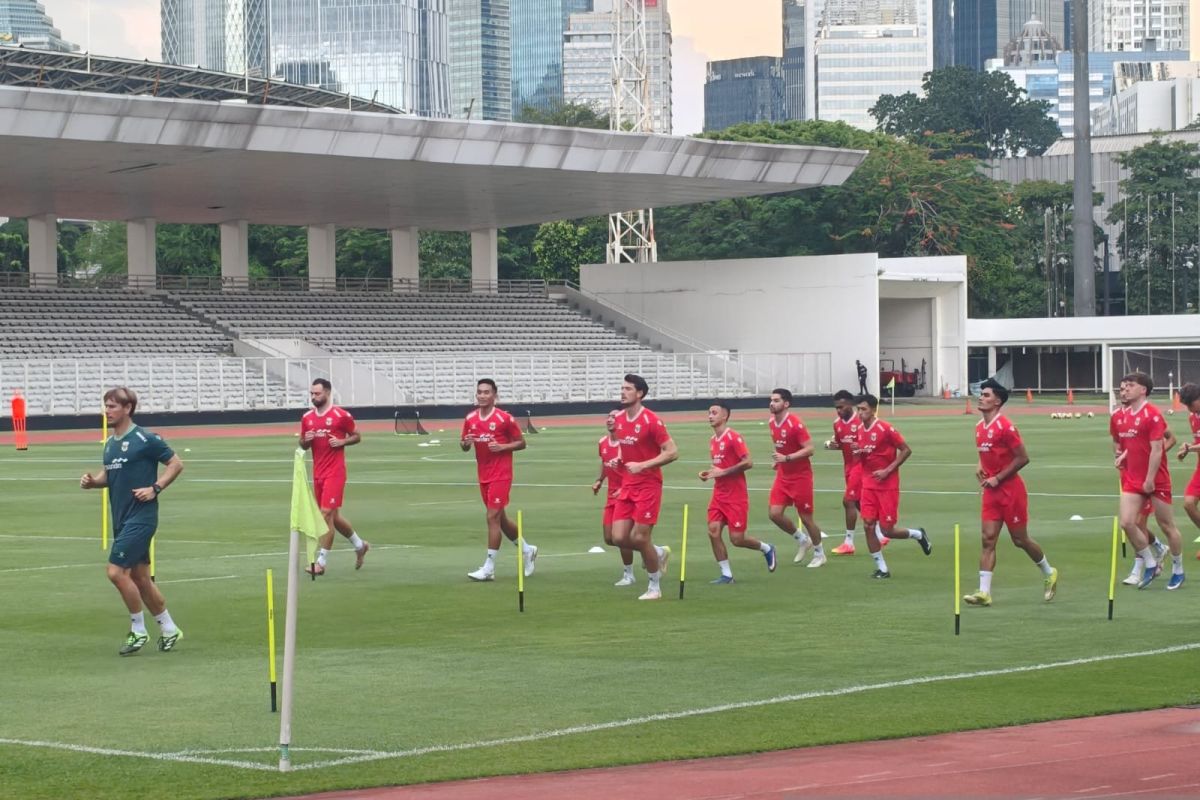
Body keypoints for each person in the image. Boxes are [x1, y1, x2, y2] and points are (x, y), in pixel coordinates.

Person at [80, 387, 185, 655]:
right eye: (106, 406)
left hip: (142, 517)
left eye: (113, 406)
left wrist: (155, 488)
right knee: (140, 578)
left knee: (115, 572)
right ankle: (169, 627)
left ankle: (138, 630)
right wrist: (93, 482)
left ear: (127, 408)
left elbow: (175, 464)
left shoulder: (146, 439)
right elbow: (109, 475)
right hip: (121, 517)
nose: (108, 410)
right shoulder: (110, 443)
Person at [963, 379, 1057, 606]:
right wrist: (980, 465)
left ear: (997, 401)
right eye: (981, 394)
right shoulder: (979, 427)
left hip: (1011, 491)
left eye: (986, 395)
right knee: (987, 539)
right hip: (991, 492)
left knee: (1020, 539)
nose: (981, 397)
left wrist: (998, 477)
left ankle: (1049, 572)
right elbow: (987, 451)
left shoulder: (1006, 426)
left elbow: (1022, 458)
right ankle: (984, 592)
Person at [1110, 373, 1185, 589]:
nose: (1126, 389)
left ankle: (1178, 569)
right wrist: (1123, 457)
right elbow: (1129, 445)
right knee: (1127, 522)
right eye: (1124, 386)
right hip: (1133, 479)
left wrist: (1150, 479)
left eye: (1131, 386)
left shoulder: (1152, 415)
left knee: (1167, 525)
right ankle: (1151, 563)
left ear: (1143, 390)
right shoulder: (1122, 416)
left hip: (1156, 479)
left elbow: (1156, 449)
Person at [461, 378, 537, 581]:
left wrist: (502, 447)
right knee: (500, 519)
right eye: (480, 392)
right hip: (483, 474)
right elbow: (464, 445)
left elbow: (522, 443)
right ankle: (528, 550)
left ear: (495, 395)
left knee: (491, 517)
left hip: (501, 474)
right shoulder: (470, 419)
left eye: (487, 392)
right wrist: (466, 443)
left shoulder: (505, 419)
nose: (482, 396)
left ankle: (489, 567)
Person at [610, 374, 677, 601]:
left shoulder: (651, 421)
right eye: (622, 388)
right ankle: (658, 552)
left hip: (649, 485)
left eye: (628, 389)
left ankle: (654, 587)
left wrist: (643, 465)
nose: (622, 392)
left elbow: (672, 452)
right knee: (618, 537)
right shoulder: (618, 419)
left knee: (639, 538)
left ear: (639, 394)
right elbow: (626, 450)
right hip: (628, 485)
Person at [854, 393, 931, 578]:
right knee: (868, 525)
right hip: (868, 484)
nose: (860, 413)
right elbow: (864, 455)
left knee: (888, 530)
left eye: (863, 409)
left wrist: (887, 470)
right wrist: (856, 452)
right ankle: (882, 568)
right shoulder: (859, 430)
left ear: (873, 410)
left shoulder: (885, 428)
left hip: (887, 485)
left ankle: (918, 535)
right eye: (858, 409)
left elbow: (906, 450)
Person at [700, 403, 776, 584]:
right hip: (719, 495)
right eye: (709, 413)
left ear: (725, 416)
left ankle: (766, 548)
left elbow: (748, 462)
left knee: (737, 539)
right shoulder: (713, 440)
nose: (710, 416)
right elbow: (720, 467)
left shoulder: (733, 437)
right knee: (713, 531)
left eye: (714, 413)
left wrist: (723, 472)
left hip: (736, 495)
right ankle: (727, 575)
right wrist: (709, 474)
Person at [300, 379, 369, 576]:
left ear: (328, 393)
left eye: (317, 394)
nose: (313, 397)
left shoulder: (341, 416)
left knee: (324, 514)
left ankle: (321, 562)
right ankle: (359, 545)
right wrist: (306, 440)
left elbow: (357, 435)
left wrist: (342, 441)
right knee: (334, 517)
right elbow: (302, 444)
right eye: (312, 394)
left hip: (335, 472)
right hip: (318, 473)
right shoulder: (307, 418)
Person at [767, 388, 827, 567]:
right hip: (783, 476)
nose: (772, 403)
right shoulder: (771, 422)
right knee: (774, 514)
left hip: (801, 477)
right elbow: (781, 447)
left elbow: (810, 449)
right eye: (771, 400)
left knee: (807, 518)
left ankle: (820, 554)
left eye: (776, 400)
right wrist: (779, 462)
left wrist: (787, 458)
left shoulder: (795, 424)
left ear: (786, 404)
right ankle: (802, 540)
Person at [593, 409, 636, 586]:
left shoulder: (627, 444)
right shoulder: (602, 442)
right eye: (608, 416)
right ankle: (654, 551)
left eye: (614, 417)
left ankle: (629, 574)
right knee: (609, 539)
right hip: (611, 495)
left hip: (626, 495)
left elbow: (634, 470)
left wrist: (625, 488)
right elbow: (605, 463)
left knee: (621, 537)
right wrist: (599, 480)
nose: (610, 419)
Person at [1177, 383, 1200, 560]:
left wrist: (1189, 449)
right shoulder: (1193, 417)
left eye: (1190, 404)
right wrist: (1188, 448)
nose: (1189, 409)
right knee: (1188, 503)